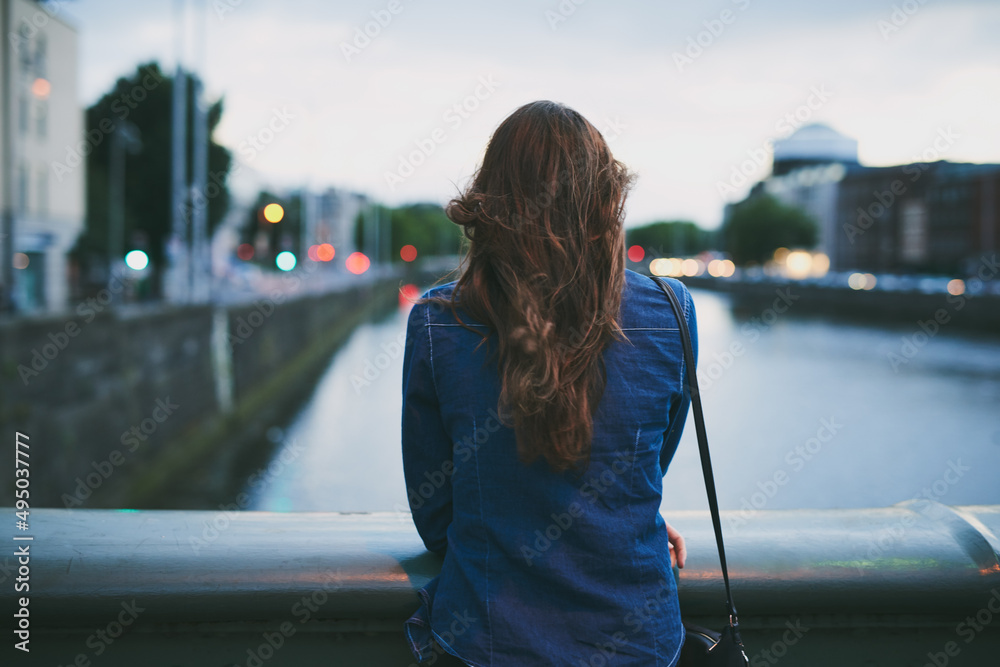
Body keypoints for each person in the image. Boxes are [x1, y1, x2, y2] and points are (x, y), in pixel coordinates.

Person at [401, 100, 697, 666]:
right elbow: (648, 462)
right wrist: (619, 522)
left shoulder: (441, 323)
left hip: (489, 642)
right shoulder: (671, 309)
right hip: (637, 643)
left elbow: (433, 511)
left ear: (488, 202)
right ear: (608, 199)